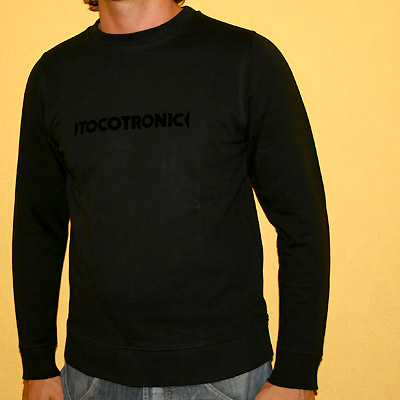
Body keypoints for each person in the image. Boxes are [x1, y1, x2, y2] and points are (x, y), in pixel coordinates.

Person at [12, 0, 330, 399]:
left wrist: (297, 373)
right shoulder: (54, 75)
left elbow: (303, 224)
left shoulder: (245, 59)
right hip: (92, 378)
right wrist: (37, 363)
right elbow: (37, 229)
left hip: (225, 378)